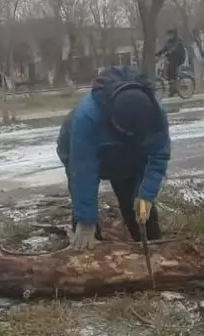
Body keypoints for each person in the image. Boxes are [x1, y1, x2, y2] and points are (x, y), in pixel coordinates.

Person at [56, 66, 171, 250]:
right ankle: (90, 260)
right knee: (86, 224)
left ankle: (156, 254)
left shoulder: (155, 114)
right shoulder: (87, 117)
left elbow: (158, 155)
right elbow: (84, 170)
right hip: (79, 152)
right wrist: (85, 220)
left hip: (128, 156)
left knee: (138, 210)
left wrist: (146, 195)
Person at [156, 28, 187, 97]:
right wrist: (157, 54)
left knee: (172, 72)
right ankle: (173, 88)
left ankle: (172, 90)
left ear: (173, 35)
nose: (169, 36)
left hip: (179, 58)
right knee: (169, 73)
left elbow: (175, 49)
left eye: (170, 35)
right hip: (172, 59)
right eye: (168, 35)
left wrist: (169, 53)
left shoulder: (178, 41)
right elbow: (164, 49)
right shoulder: (169, 42)